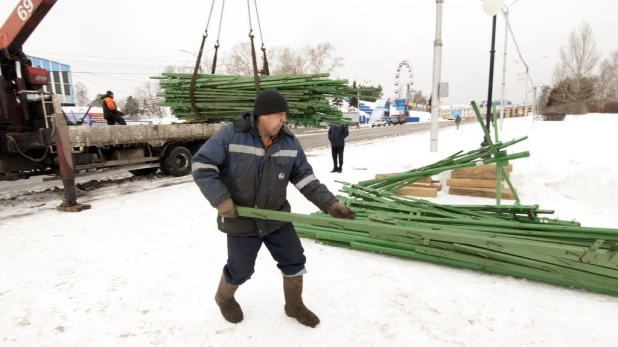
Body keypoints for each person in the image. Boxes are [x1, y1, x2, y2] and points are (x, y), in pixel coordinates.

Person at [191, 89, 356, 328]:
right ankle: (224, 297)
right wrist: (220, 199)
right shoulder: (231, 135)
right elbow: (201, 164)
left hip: (276, 217)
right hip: (241, 218)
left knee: (294, 261)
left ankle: (294, 305)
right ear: (262, 115)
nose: (283, 119)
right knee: (241, 270)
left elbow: (305, 179)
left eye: (284, 114)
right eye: (279, 114)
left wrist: (330, 204)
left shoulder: (289, 143)